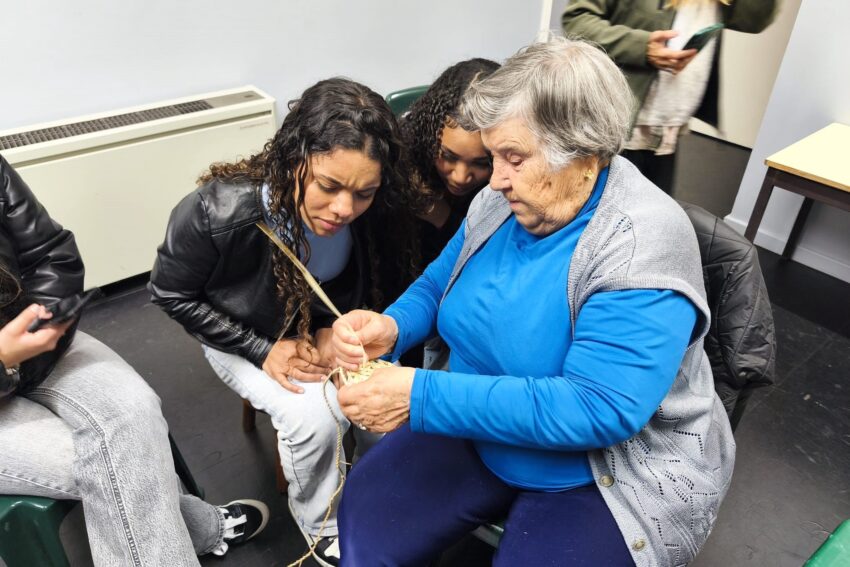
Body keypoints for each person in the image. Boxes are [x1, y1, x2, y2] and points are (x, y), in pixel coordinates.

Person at [329, 38, 735, 566]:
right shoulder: (501, 201)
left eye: (513, 158)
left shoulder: (641, 244)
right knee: (367, 512)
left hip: (601, 472)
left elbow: (596, 408)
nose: (494, 179)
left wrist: (421, 395)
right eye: (495, 156)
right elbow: (437, 284)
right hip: (475, 421)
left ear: (584, 155)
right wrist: (392, 326)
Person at [149, 77, 417, 567]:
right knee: (315, 418)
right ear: (293, 157)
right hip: (238, 333)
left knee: (388, 396)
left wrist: (331, 331)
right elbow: (170, 293)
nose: (344, 209)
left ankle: (378, 494)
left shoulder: (370, 211)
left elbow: (354, 285)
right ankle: (321, 524)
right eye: (328, 186)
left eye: (363, 193)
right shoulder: (214, 211)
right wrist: (261, 349)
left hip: (314, 331)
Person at [0, 155, 268, 566]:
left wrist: (33, 338)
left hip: (35, 349)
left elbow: (50, 253)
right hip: (11, 352)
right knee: (120, 465)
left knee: (135, 415)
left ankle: (193, 530)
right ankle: (201, 527)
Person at [562, 0, 777, 194]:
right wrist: (642, 47)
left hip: (667, 134)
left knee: (649, 220)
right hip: (612, 128)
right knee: (586, 216)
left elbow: (753, 21)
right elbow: (578, 20)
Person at [401, 58, 500, 265]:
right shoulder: (400, 160)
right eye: (448, 156)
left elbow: (486, 259)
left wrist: (442, 217)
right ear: (428, 136)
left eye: (482, 163)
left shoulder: (509, 188)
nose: (461, 177)